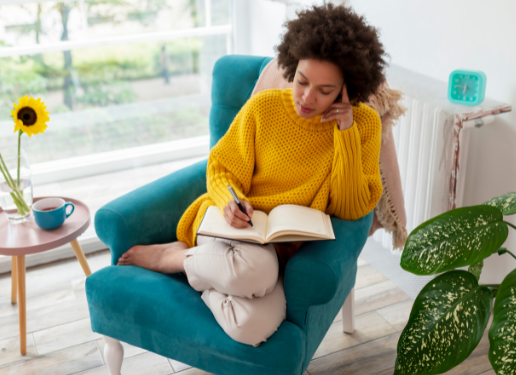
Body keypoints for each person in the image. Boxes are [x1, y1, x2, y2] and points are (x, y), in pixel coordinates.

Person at [116, 3, 387, 347]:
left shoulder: (363, 126)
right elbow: (221, 166)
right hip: (233, 227)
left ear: (347, 89)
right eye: (302, 81)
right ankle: (172, 257)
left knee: (251, 327)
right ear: (293, 65)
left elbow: (351, 207)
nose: (306, 97)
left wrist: (344, 131)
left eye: (325, 90)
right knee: (255, 271)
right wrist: (230, 201)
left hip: (278, 249)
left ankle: (196, 269)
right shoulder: (265, 108)